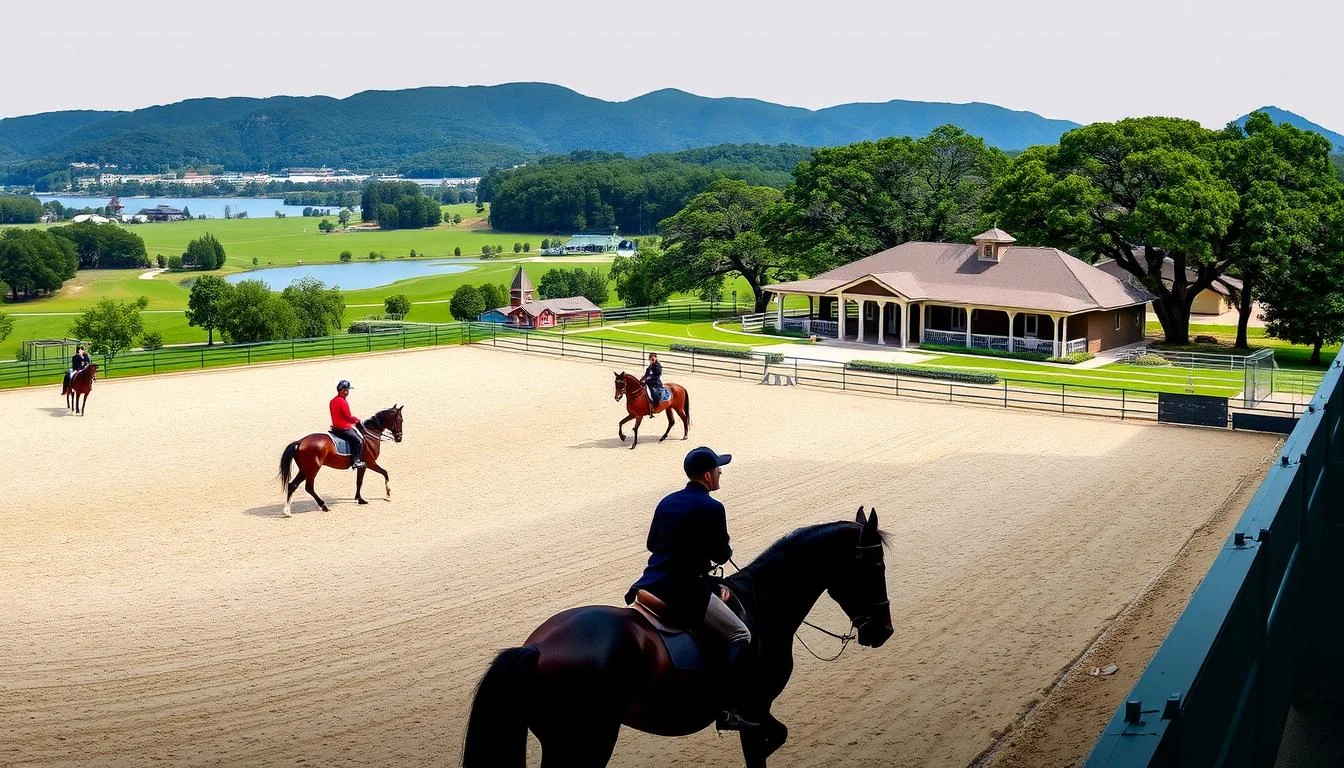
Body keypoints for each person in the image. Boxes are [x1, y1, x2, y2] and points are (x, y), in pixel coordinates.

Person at [625, 446, 759, 732]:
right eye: (718, 470)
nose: (721, 473)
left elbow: (652, 544)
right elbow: (722, 555)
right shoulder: (712, 507)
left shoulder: (667, 501)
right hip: (682, 589)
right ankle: (727, 710)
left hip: (649, 583)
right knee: (740, 634)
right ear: (708, 476)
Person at [329, 379, 365, 469]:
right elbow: (348, 417)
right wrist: (357, 420)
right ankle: (356, 461)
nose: (348, 392)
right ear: (344, 390)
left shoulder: (332, 400)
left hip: (335, 428)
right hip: (343, 428)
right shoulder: (342, 401)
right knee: (358, 440)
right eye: (347, 390)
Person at [640, 352, 663, 417]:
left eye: (653, 358)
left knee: (653, 393)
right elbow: (646, 375)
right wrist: (640, 380)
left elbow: (658, 374)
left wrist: (648, 378)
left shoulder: (657, 366)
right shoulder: (650, 366)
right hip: (648, 382)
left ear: (656, 358)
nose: (651, 359)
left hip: (655, 383)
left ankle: (655, 407)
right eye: (650, 358)